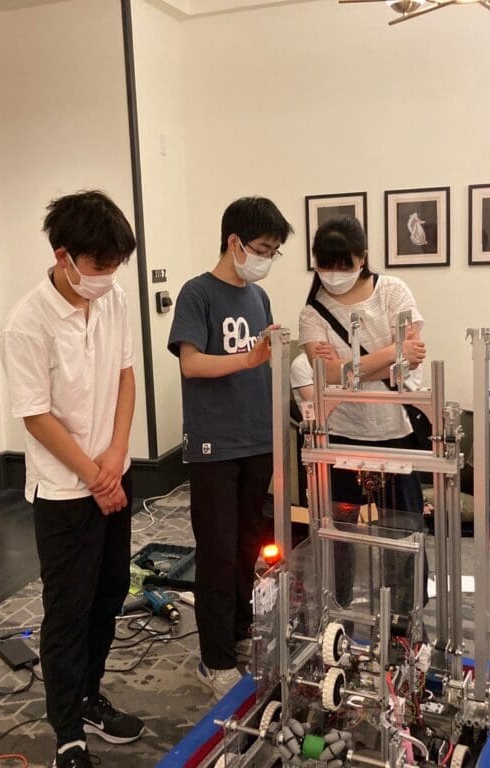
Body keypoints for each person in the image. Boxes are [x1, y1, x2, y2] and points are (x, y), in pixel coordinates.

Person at [0, 191, 142, 768]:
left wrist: (118, 453)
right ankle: (67, 733)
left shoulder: (114, 300)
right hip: (63, 491)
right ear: (63, 257)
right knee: (68, 610)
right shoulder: (26, 325)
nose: (108, 276)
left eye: (115, 265)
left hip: (113, 472)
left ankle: (88, 696)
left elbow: (127, 376)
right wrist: (93, 475)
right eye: (100, 265)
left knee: (110, 594)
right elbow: (35, 415)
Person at [167, 196, 292, 700]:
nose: (266, 259)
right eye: (262, 249)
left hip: (256, 439)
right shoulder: (197, 293)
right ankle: (214, 660)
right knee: (217, 552)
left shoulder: (258, 298)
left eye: (274, 252)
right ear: (234, 242)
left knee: (246, 547)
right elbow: (191, 364)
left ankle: (239, 632)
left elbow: (264, 363)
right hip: (214, 445)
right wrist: (247, 359)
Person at [297, 215, 427, 626]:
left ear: (363, 258)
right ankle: (337, 617)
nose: (335, 273)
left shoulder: (392, 291)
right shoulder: (312, 312)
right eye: (326, 264)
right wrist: (390, 355)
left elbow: (412, 356)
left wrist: (350, 369)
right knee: (337, 532)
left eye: (344, 264)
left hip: (395, 432)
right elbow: (325, 375)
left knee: (402, 533)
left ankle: (404, 621)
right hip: (340, 436)